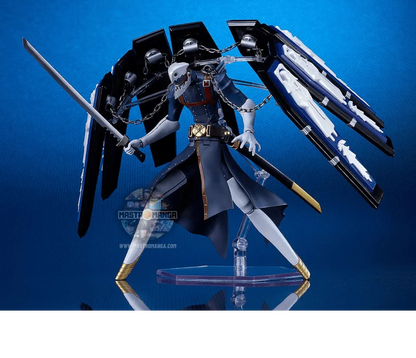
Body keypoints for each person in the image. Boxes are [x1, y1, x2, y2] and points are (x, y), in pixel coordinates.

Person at [115, 62, 310, 281]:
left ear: (189, 72)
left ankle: (298, 264)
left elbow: (245, 103)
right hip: (193, 151)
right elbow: (171, 123)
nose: (180, 86)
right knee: (155, 197)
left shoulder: (210, 79)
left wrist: (248, 130)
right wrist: (141, 141)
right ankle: (124, 271)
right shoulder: (176, 89)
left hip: (215, 152)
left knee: (247, 205)